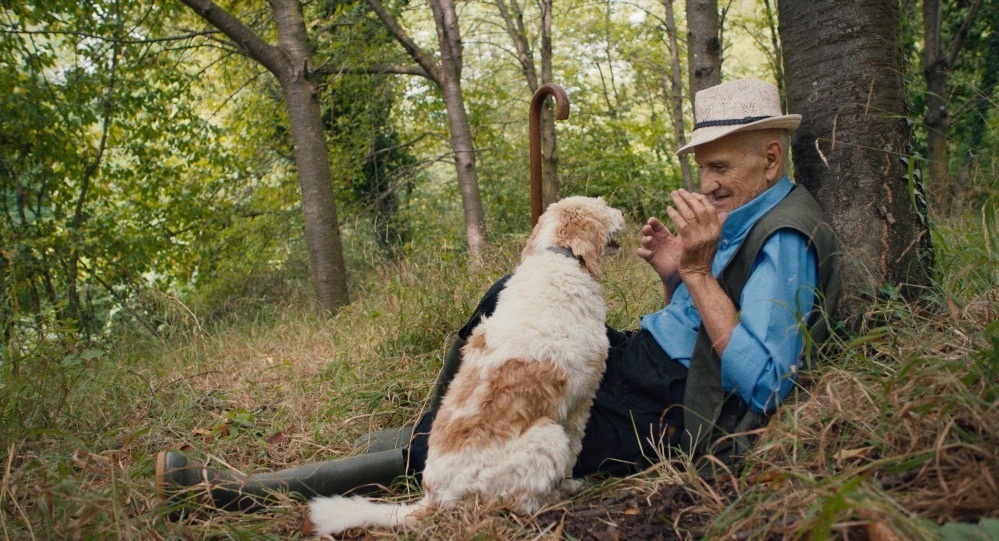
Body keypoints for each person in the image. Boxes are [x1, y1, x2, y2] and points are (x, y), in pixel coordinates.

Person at [156, 79, 840, 511]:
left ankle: (228, 492)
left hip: (668, 408)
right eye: (704, 168)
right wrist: (673, 272)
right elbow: (707, 316)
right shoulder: (743, 214)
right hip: (642, 363)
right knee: (508, 293)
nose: (709, 182)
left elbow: (766, 382)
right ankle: (413, 442)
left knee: (484, 434)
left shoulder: (783, 240)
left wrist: (693, 275)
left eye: (719, 166)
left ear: (770, 158)